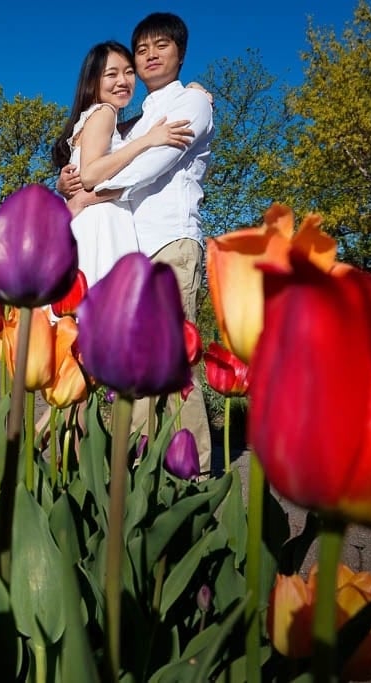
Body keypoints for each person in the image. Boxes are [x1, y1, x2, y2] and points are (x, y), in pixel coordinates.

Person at [58, 12, 214, 474]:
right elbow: (94, 162)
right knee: (142, 368)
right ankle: (142, 469)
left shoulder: (192, 103)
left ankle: (196, 470)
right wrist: (77, 181)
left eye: (160, 46)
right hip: (133, 253)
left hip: (170, 244)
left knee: (174, 361)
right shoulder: (136, 120)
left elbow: (149, 167)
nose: (147, 56)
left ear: (180, 54)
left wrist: (91, 186)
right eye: (140, 49)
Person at [51, 41, 193, 287]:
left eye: (129, 72)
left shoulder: (99, 117)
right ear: (93, 80)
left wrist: (190, 91)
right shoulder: (105, 112)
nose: (123, 81)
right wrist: (147, 141)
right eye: (111, 74)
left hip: (87, 220)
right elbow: (90, 175)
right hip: (103, 221)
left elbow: (140, 123)